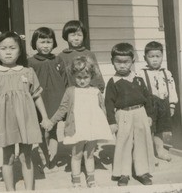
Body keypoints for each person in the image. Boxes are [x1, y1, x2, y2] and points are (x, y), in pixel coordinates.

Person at [0, 31, 51, 191]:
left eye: (12, 47)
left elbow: (37, 96)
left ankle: (29, 189)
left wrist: (45, 117)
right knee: (9, 157)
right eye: (3, 48)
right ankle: (10, 190)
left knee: (26, 157)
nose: (8, 51)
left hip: (26, 120)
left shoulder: (28, 72)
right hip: (4, 122)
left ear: (20, 51)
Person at [47, 56, 113, 188]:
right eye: (79, 77)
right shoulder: (70, 91)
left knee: (89, 154)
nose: (82, 81)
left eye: (85, 77)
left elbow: (102, 109)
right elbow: (63, 108)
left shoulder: (95, 91)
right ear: (73, 76)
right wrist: (52, 121)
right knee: (76, 154)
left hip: (92, 127)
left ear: (91, 76)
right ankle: (76, 179)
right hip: (77, 128)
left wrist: (108, 125)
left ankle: (91, 178)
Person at [105, 43, 155, 186]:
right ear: (112, 62)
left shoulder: (138, 79)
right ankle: (123, 173)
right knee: (124, 143)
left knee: (141, 142)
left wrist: (150, 115)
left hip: (140, 113)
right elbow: (108, 103)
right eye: (118, 62)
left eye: (126, 62)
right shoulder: (113, 82)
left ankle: (142, 171)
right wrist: (111, 122)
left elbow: (148, 98)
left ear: (132, 61)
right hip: (123, 115)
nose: (122, 66)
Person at [28, 27, 67, 173]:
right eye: (42, 42)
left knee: (53, 131)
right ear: (34, 43)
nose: (46, 45)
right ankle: (45, 159)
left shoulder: (58, 60)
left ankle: (52, 160)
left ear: (54, 43)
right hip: (38, 102)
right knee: (40, 132)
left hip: (56, 100)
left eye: (49, 42)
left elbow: (65, 80)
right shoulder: (30, 62)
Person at [138, 41, 178, 162]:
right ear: (145, 58)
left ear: (162, 57)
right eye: (151, 57)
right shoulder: (141, 73)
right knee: (149, 129)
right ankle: (149, 154)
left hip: (163, 104)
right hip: (149, 105)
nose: (155, 60)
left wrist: (171, 105)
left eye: (158, 56)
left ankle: (160, 151)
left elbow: (172, 89)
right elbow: (139, 92)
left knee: (159, 130)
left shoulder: (167, 73)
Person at [58, 20, 105, 92]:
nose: (76, 38)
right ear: (66, 36)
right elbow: (60, 79)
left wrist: (98, 89)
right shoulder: (61, 56)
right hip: (71, 94)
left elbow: (96, 75)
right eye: (73, 35)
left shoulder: (89, 54)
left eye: (79, 35)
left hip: (88, 92)